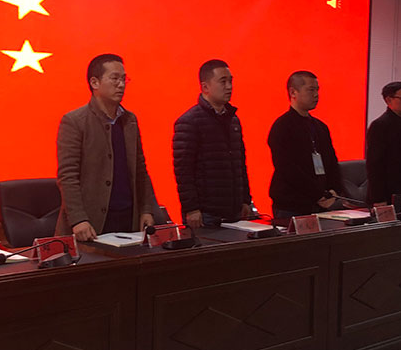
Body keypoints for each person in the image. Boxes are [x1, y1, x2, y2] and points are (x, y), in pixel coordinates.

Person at [56, 53, 156, 241]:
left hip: (129, 217)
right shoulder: (75, 121)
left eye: (124, 79)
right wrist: (78, 219)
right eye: (115, 78)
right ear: (94, 82)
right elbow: (67, 176)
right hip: (91, 221)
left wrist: (147, 208)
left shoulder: (129, 120)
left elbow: (140, 170)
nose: (121, 84)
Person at [172, 59, 255, 229]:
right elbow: (183, 170)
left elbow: (240, 164)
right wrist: (191, 208)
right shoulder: (189, 121)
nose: (229, 87)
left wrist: (245, 200)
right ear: (205, 87)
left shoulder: (233, 120)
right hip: (205, 214)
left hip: (234, 211)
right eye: (223, 81)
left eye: (230, 81)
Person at [267, 70, 342, 218]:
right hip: (292, 204)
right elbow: (287, 168)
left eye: (317, 90)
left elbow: (332, 162)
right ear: (293, 92)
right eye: (311, 90)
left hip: (322, 203)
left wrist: (333, 190)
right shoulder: (282, 126)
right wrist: (317, 194)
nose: (316, 95)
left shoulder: (320, 127)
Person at [365, 82, 401, 205]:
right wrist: (378, 198)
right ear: (388, 100)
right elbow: (374, 166)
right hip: (391, 193)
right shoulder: (380, 125)